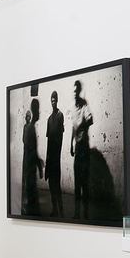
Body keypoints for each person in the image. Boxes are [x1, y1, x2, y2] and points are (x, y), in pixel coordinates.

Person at [70, 79, 93, 219]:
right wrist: (70, 144)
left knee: (84, 183)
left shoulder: (84, 105)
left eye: (76, 91)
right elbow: (72, 127)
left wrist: (81, 126)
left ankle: (85, 214)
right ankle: (77, 214)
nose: (74, 93)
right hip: (78, 148)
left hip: (84, 148)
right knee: (77, 183)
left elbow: (90, 119)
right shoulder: (73, 108)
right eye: (73, 91)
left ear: (79, 91)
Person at [44, 90, 65, 217]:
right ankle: (54, 209)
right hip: (50, 157)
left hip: (55, 156)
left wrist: (56, 155)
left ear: (57, 100)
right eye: (51, 100)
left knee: (56, 184)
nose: (53, 102)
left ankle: (61, 210)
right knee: (51, 183)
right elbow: (48, 140)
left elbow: (60, 137)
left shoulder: (60, 115)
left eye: (55, 99)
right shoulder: (49, 119)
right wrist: (47, 157)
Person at [21, 98, 43, 216]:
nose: (39, 112)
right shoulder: (29, 128)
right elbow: (31, 150)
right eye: (38, 109)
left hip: (31, 169)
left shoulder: (31, 128)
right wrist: (38, 165)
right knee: (33, 205)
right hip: (30, 170)